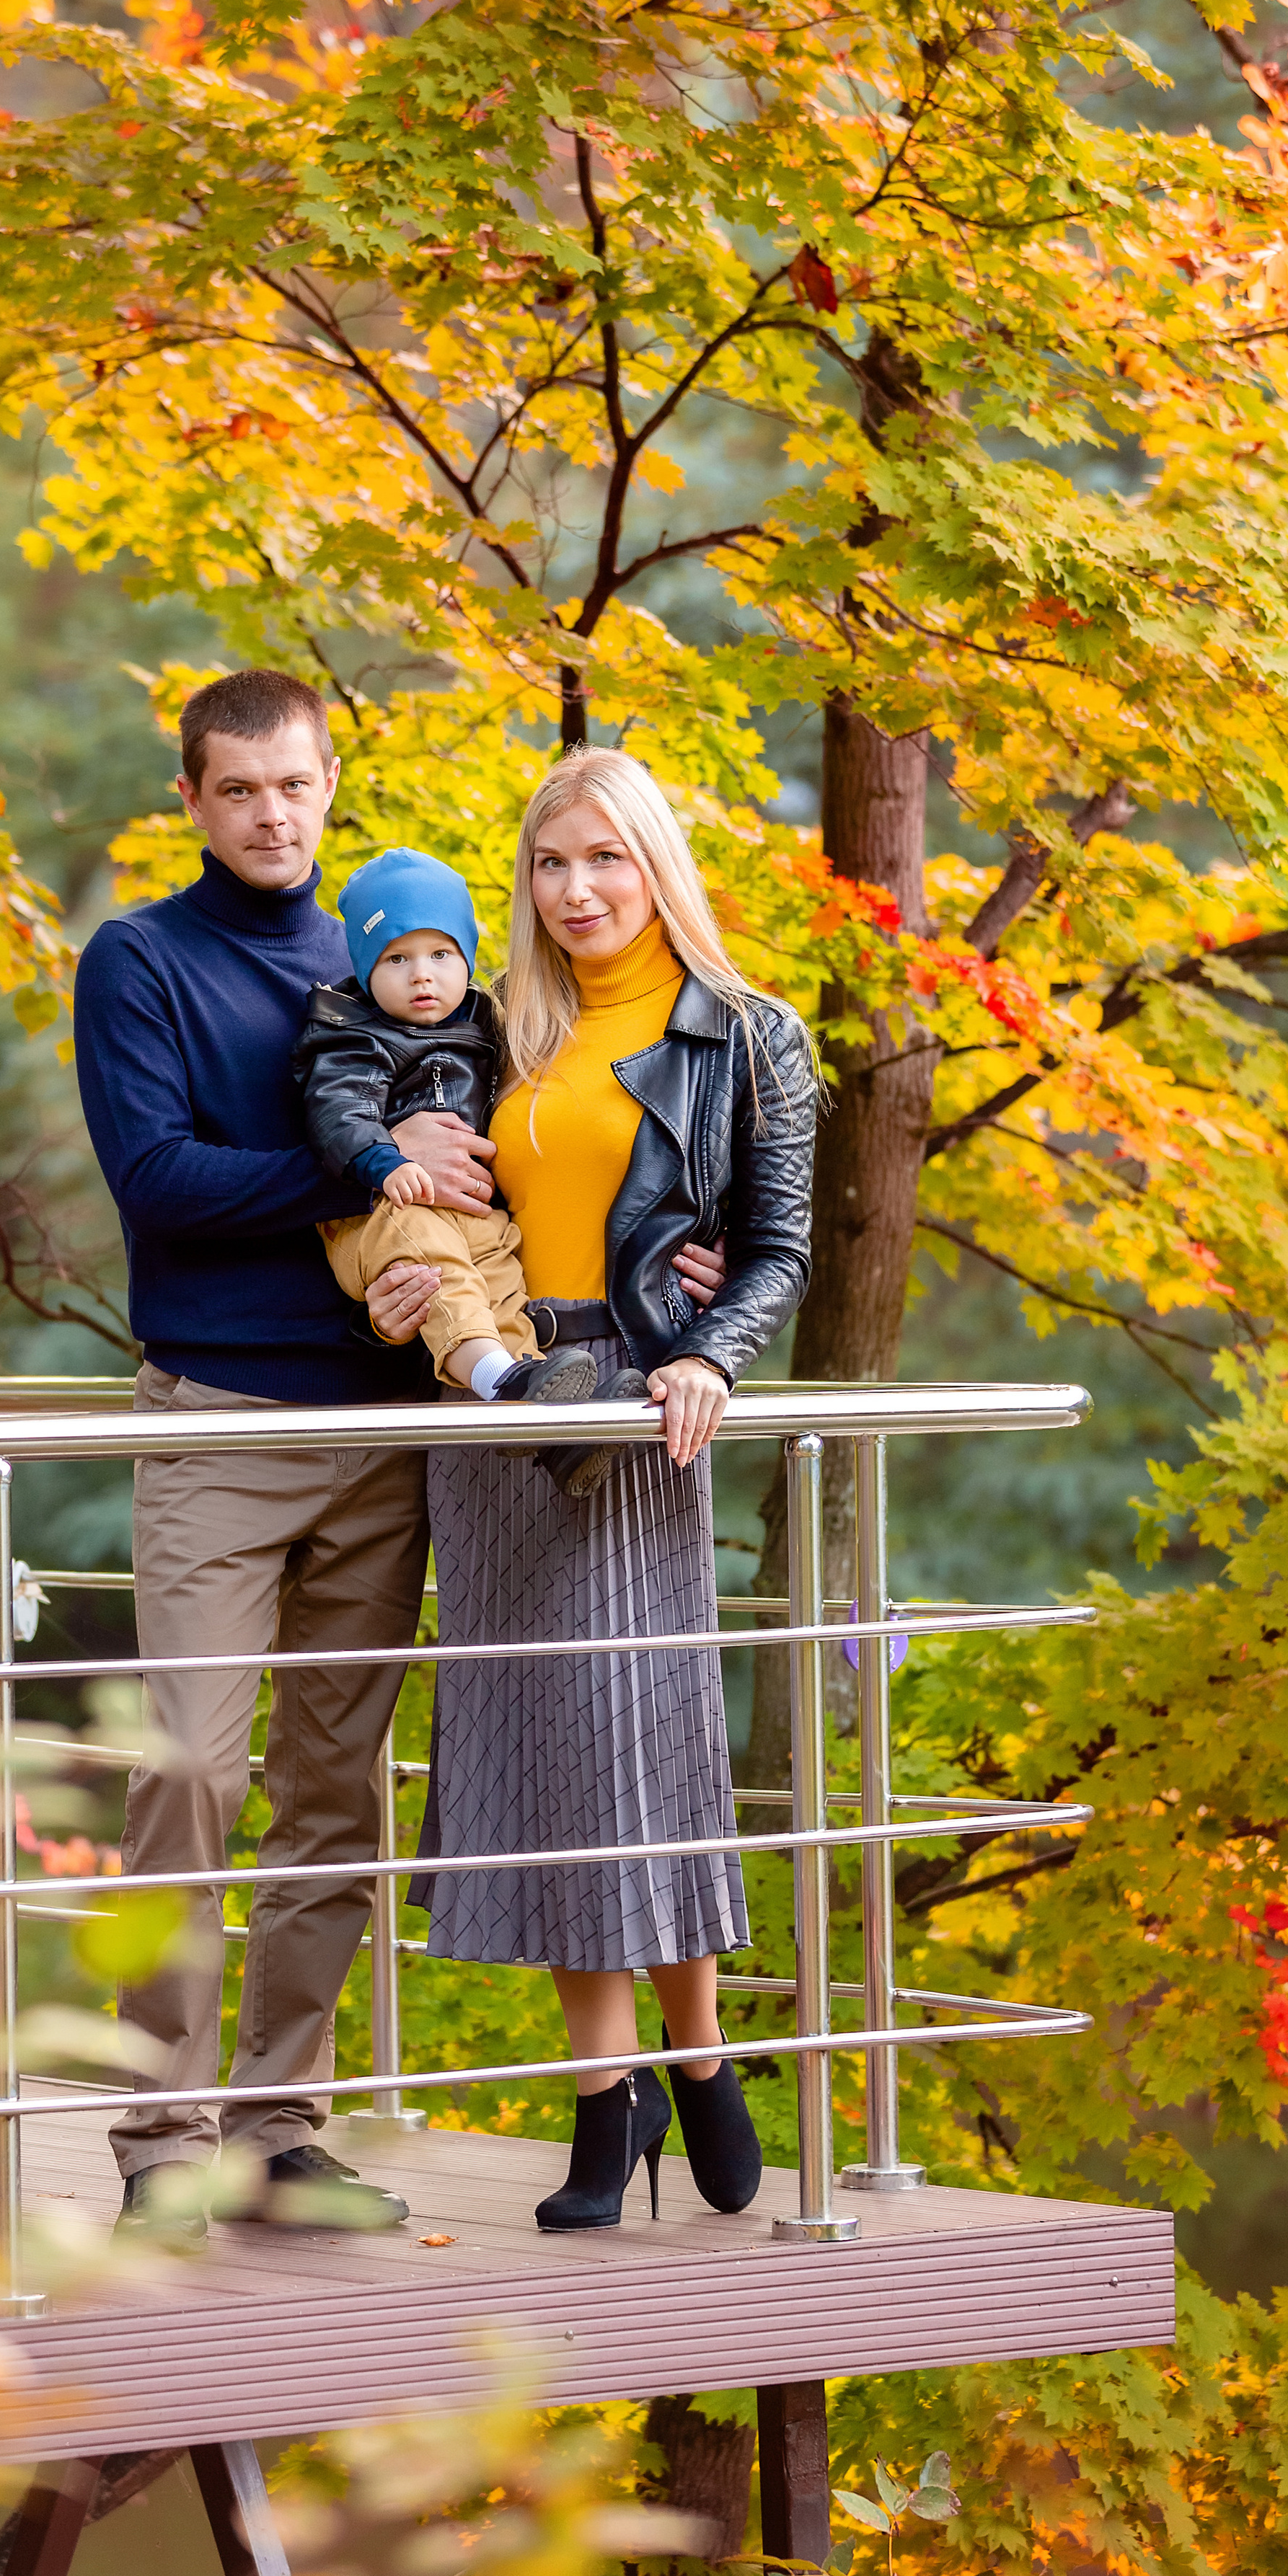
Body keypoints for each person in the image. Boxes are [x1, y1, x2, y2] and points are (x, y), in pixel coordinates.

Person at [72, 668, 496, 2238]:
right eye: (236, 788)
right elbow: (160, 1178)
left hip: (381, 1428)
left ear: (331, 786)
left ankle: (278, 2125)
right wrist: (362, 1178)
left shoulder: (391, 964)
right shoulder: (141, 961)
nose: (268, 814)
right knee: (188, 1769)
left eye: (293, 786)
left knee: (336, 1793)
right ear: (190, 798)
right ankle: (158, 2136)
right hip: (221, 1429)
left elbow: (500, 1162)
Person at [396, 748, 817, 2233]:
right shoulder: (504, 1035)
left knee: (637, 1746)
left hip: (638, 1417)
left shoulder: (748, 1036)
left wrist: (706, 1349)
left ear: (653, 864)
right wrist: (399, 1148)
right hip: (499, 1410)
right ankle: (600, 2100)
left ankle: (696, 2056)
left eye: (602, 861)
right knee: (534, 1756)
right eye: (547, 866)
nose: (573, 892)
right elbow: (407, 1158)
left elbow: (774, 1249)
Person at [291, 845, 603, 1433]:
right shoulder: (352, 1035)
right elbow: (339, 1111)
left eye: (441, 953)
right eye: (396, 959)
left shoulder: (485, 1022)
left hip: (468, 1208)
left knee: (504, 1280)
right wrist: (382, 1159)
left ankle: (541, 1402)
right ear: (364, 969)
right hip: (383, 1212)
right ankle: (496, 1381)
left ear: (467, 957)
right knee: (444, 1275)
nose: (422, 975)